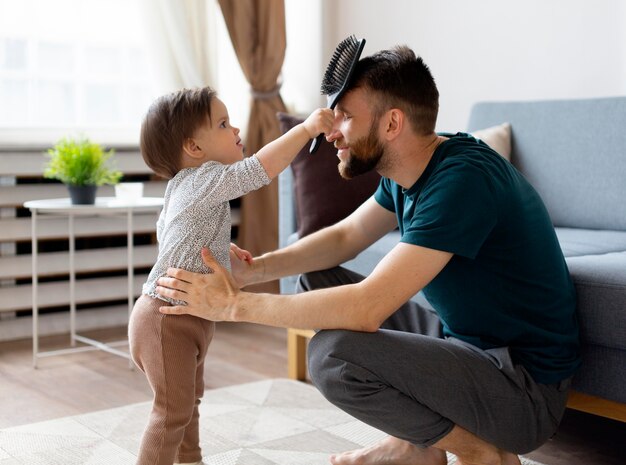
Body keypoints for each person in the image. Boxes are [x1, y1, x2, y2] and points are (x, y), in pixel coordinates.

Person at [155, 47, 580, 465]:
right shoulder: (413, 167)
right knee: (315, 279)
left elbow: (367, 309)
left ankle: (475, 450)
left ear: (392, 123)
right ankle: (418, 444)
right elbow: (346, 236)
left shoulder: (462, 181)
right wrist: (254, 270)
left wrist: (233, 304)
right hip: (467, 346)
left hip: (519, 389)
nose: (332, 131)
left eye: (345, 117)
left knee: (331, 357)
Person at [128, 85, 333, 465]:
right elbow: (261, 169)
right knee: (171, 413)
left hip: (185, 315)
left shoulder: (182, 189)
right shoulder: (204, 178)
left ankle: (191, 461)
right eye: (223, 124)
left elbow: (177, 236)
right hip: (167, 319)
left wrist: (220, 252)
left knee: (187, 404)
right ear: (194, 148)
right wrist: (305, 130)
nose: (236, 129)